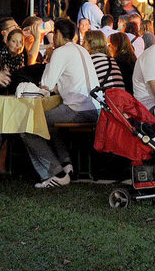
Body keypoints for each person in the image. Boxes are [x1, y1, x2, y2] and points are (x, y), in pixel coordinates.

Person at [25, 19, 100, 190]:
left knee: (30, 126)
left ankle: (55, 173)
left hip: (78, 109)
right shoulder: (81, 50)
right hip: (95, 108)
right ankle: (66, 165)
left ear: (57, 34)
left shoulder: (60, 52)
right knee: (50, 124)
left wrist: (51, 58)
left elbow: (46, 85)